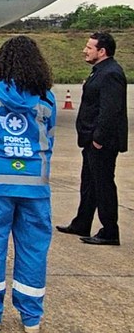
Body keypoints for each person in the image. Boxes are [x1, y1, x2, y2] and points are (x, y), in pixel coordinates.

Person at [0, 35, 56, 332]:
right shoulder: (46, 96)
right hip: (34, 183)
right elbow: (50, 137)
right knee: (34, 249)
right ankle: (31, 317)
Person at [57, 31, 127, 246]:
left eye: (89, 47)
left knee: (103, 184)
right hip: (91, 139)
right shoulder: (100, 71)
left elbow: (110, 110)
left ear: (102, 51)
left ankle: (110, 230)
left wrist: (99, 138)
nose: (85, 50)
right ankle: (82, 222)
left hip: (102, 141)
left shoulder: (111, 73)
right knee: (89, 182)